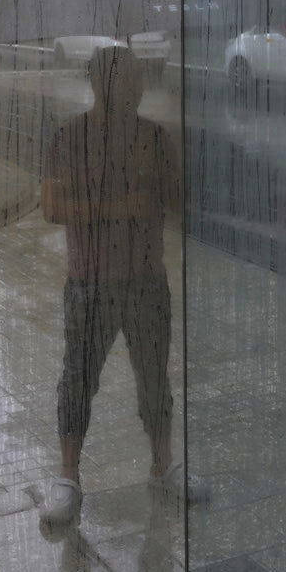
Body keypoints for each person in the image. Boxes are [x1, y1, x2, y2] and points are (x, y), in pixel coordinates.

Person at [38, 45, 206, 526]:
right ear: (98, 85)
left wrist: (159, 172)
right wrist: (122, 204)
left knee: (154, 376)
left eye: (137, 81)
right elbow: (52, 207)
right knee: (78, 379)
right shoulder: (69, 138)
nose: (133, 90)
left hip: (146, 279)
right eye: (123, 81)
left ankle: (163, 465)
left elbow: (176, 201)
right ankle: (68, 476)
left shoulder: (154, 137)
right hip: (90, 283)